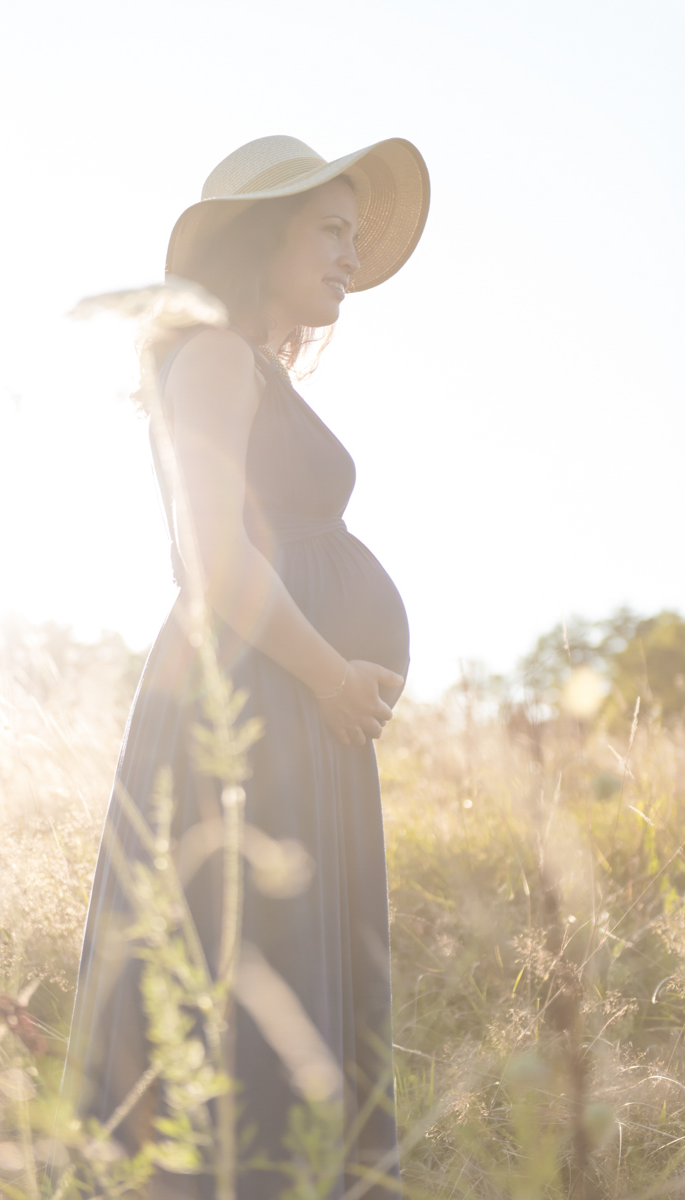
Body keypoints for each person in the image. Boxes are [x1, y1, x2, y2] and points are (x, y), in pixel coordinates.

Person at [64, 134, 430, 1199]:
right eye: (330, 230)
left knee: (282, 1009)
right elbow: (212, 558)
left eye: (355, 237)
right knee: (242, 1006)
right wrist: (327, 675)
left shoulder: (247, 366)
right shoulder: (215, 354)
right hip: (260, 716)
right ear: (260, 233)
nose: (349, 255)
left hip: (296, 720)